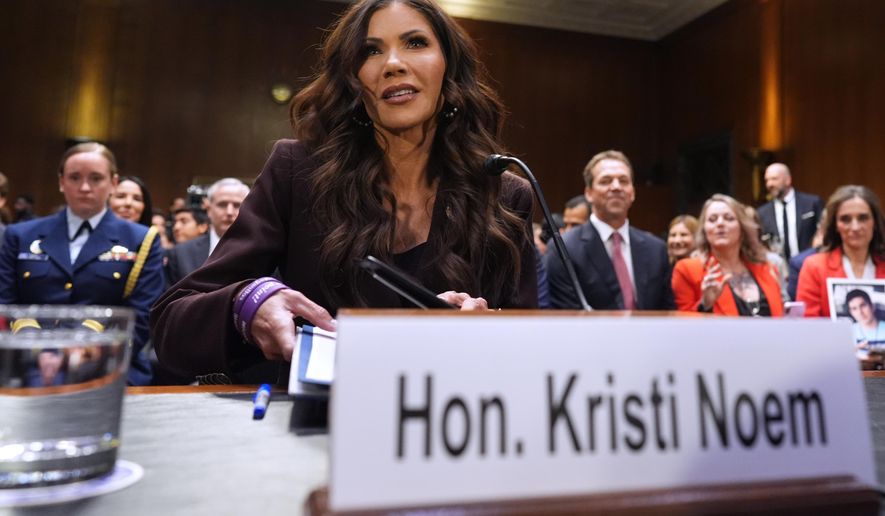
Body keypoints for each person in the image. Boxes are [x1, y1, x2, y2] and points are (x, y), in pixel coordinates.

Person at [151, 0, 537, 383]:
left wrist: (490, 330)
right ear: (353, 78)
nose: (393, 64)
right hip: (316, 431)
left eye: (415, 43)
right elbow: (172, 326)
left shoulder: (504, 193)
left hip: (448, 426)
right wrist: (247, 303)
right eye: (371, 51)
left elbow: (533, 350)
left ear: (449, 66)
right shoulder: (298, 170)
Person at [0, 142, 164, 385]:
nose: (85, 187)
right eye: (74, 177)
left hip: (108, 365)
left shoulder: (141, 240)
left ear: (113, 183)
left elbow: (141, 314)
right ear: (61, 182)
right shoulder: (20, 235)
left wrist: (86, 351)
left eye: (96, 178)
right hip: (27, 363)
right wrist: (36, 349)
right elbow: (5, 302)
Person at [547, 150, 673, 310]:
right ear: (589, 193)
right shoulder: (563, 248)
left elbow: (666, 312)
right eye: (606, 181)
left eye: (623, 181)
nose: (616, 187)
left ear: (632, 192)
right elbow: (567, 315)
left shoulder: (656, 249)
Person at [672, 194, 783, 316]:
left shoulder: (767, 269)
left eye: (729, 218)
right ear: (704, 230)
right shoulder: (688, 270)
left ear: (742, 227)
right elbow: (684, 325)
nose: (720, 223)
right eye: (712, 219)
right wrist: (705, 305)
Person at [796, 185, 885, 317]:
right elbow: (809, 326)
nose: (855, 227)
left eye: (863, 218)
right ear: (835, 225)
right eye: (846, 219)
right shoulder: (815, 267)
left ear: (875, 223)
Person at [166, 178, 250, 285]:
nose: (229, 212)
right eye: (222, 204)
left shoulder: (263, 252)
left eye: (237, 205)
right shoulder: (180, 254)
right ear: (209, 210)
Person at [758, 163, 823, 261]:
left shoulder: (812, 203)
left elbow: (823, 232)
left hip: (809, 263)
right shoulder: (762, 212)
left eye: (774, 179)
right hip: (779, 270)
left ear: (788, 180)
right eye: (767, 180)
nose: (769, 184)